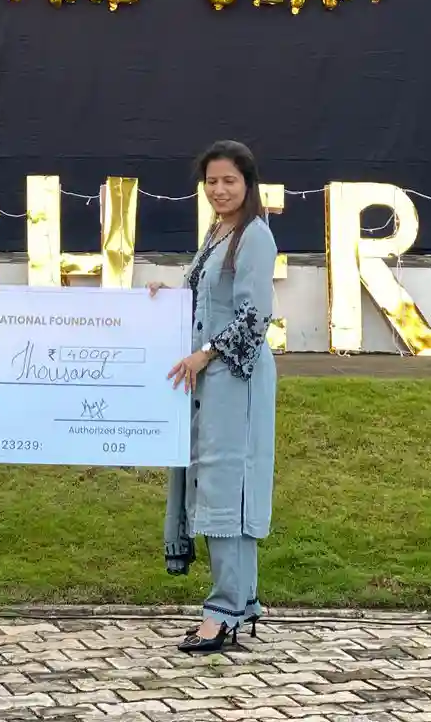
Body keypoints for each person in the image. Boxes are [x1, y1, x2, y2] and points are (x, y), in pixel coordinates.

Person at [151, 139, 279, 654]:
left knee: (228, 487)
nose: (219, 190)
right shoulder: (217, 232)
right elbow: (206, 302)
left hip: (236, 380)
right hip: (212, 382)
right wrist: (166, 297)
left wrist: (205, 355)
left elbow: (254, 316)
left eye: (229, 180)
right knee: (214, 483)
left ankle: (223, 612)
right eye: (211, 181)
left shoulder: (254, 236)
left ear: (248, 183)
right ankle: (239, 603)